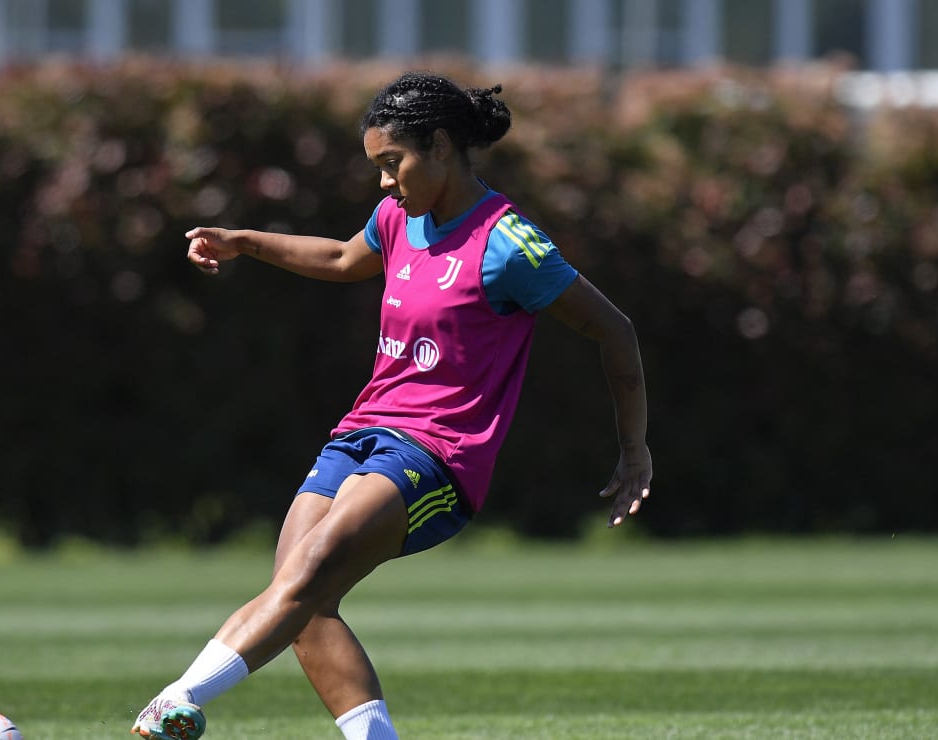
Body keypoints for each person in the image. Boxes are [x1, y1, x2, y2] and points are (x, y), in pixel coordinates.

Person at [131, 71, 652, 740]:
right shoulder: (397, 219)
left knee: (309, 574)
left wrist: (633, 447)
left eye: (391, 163)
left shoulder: (508, 243)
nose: (383, 182)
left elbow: (615, 330)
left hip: (438, 457)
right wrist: (244, 242)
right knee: (301, 601)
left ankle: (175, 700)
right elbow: (343, 257)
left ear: (438, 146)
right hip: (360, 433)